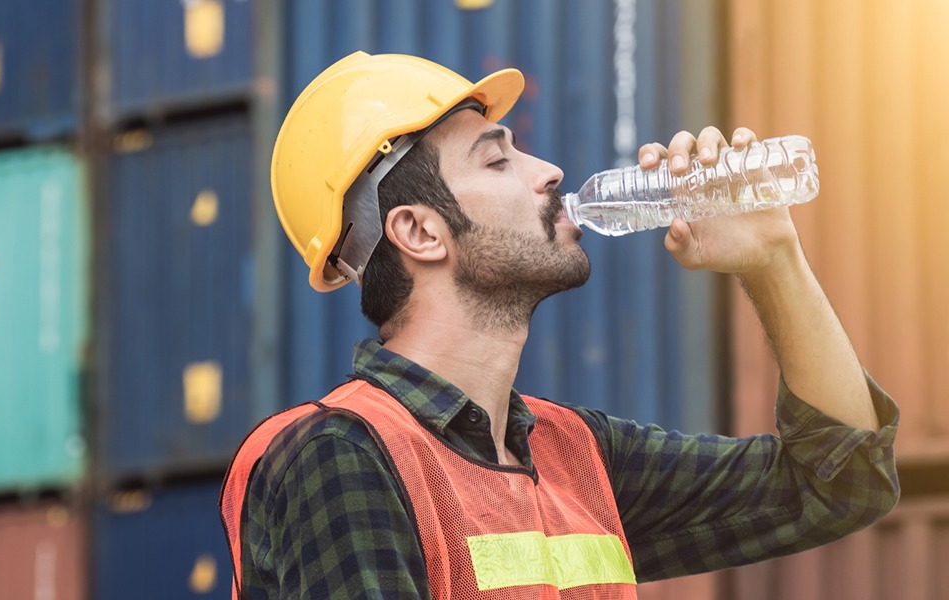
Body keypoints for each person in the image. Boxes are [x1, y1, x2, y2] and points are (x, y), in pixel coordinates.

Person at [219, 51, 899, 599]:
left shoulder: (576, 455)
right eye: (498, 158)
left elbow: (839, 481)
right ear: (420, 231)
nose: (549, 172)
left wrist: (774, 261)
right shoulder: (342, 457)